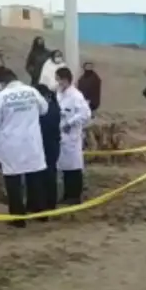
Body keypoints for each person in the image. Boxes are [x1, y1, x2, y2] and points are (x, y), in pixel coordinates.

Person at [0, 66, 49, 228]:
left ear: (0, 82)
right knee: (35, 178)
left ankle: (18, 218)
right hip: (32, 142)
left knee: (13, 182)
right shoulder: (32, 91)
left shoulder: (2, 97)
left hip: (11, 144)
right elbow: (44, 109)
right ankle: (40, 213)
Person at [55, 67, 92, 205]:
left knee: (74, 167)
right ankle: (66, 194)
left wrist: (70, 123)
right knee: (64, 167)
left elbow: (85, 114)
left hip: (71, 137)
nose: (58, 82)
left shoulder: (76, 95)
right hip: (61, 137)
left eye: (60, 79)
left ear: (66, 80)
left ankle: (75, 195)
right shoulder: (59, 94)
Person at [34, 83, 62, 215]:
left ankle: (44, 206)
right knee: (50, 175)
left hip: (46, 145)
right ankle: (49, 204)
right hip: (52, 145)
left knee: (44, 177)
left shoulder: (47, 110)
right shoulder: (54, 106)